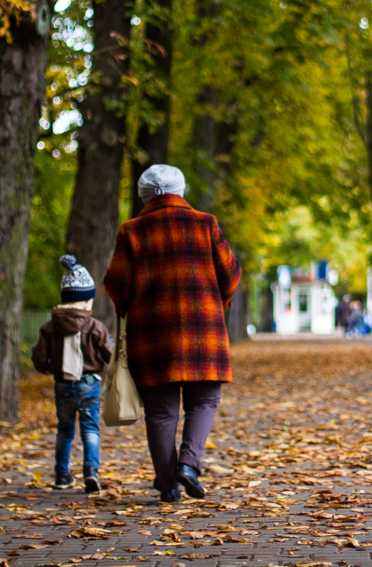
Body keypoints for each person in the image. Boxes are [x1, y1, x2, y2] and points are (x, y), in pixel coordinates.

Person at [103, 164, 241, 504]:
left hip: (153, 335)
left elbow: (116, 285)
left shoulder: (132, 231)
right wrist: (218, 300)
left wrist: (129, 305)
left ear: (144, 195)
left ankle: (167, 485)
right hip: (203, 331)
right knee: (205, 400)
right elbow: (231, 272)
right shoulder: (204, 223)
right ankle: (189, 466)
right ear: (181, 191)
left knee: (161, 411)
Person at [32, 255, 114, 493]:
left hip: (62, 385)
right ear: (87, 300)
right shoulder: (95, 326)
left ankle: (62, 475)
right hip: (89, 384)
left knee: (64, 430)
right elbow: (110, 355)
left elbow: (39, 357)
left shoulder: (49, 326)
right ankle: (91, 471)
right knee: (90, 427)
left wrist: (47, 369)